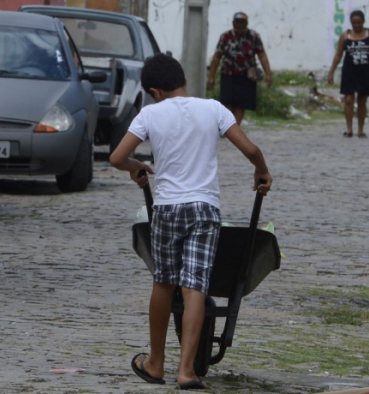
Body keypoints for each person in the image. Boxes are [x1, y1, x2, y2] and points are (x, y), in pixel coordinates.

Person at [109, 54, 272, 390]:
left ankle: (155, 363)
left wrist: (136, 166)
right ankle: (187, 372)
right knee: (195, 286)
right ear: (182, 80)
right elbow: (251, 149)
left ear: (154, 90)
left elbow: (116, 157)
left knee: (163, 283)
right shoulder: (213, 108)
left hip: (167, 208)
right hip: (204, 208)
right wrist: (262, 171)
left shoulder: (150, 114)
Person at [207, 12, 272, 126]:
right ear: (233, 23)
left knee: (241, 104)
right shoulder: (225, 37)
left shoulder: (254, 36)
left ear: (246, 24)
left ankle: (235, 128)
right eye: (238, 23)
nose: (240, 25)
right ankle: (226, 127)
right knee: (227, 103)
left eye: (242, 23)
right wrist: (211, 77)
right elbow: (217, 57)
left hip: (246, 76)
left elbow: (262, 55)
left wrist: (268, 75)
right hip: (228, 74)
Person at [327, 9, 369, 138]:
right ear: (351, 23)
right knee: (348, 99)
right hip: (350, 72)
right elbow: (338, 56)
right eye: (354, 23)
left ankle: (360, 129)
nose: (357, 25)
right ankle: (349, 129)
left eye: (359, 22)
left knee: (362, 101)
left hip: (365, 72)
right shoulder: (345, 36)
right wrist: (331, 72)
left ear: (363, 21)